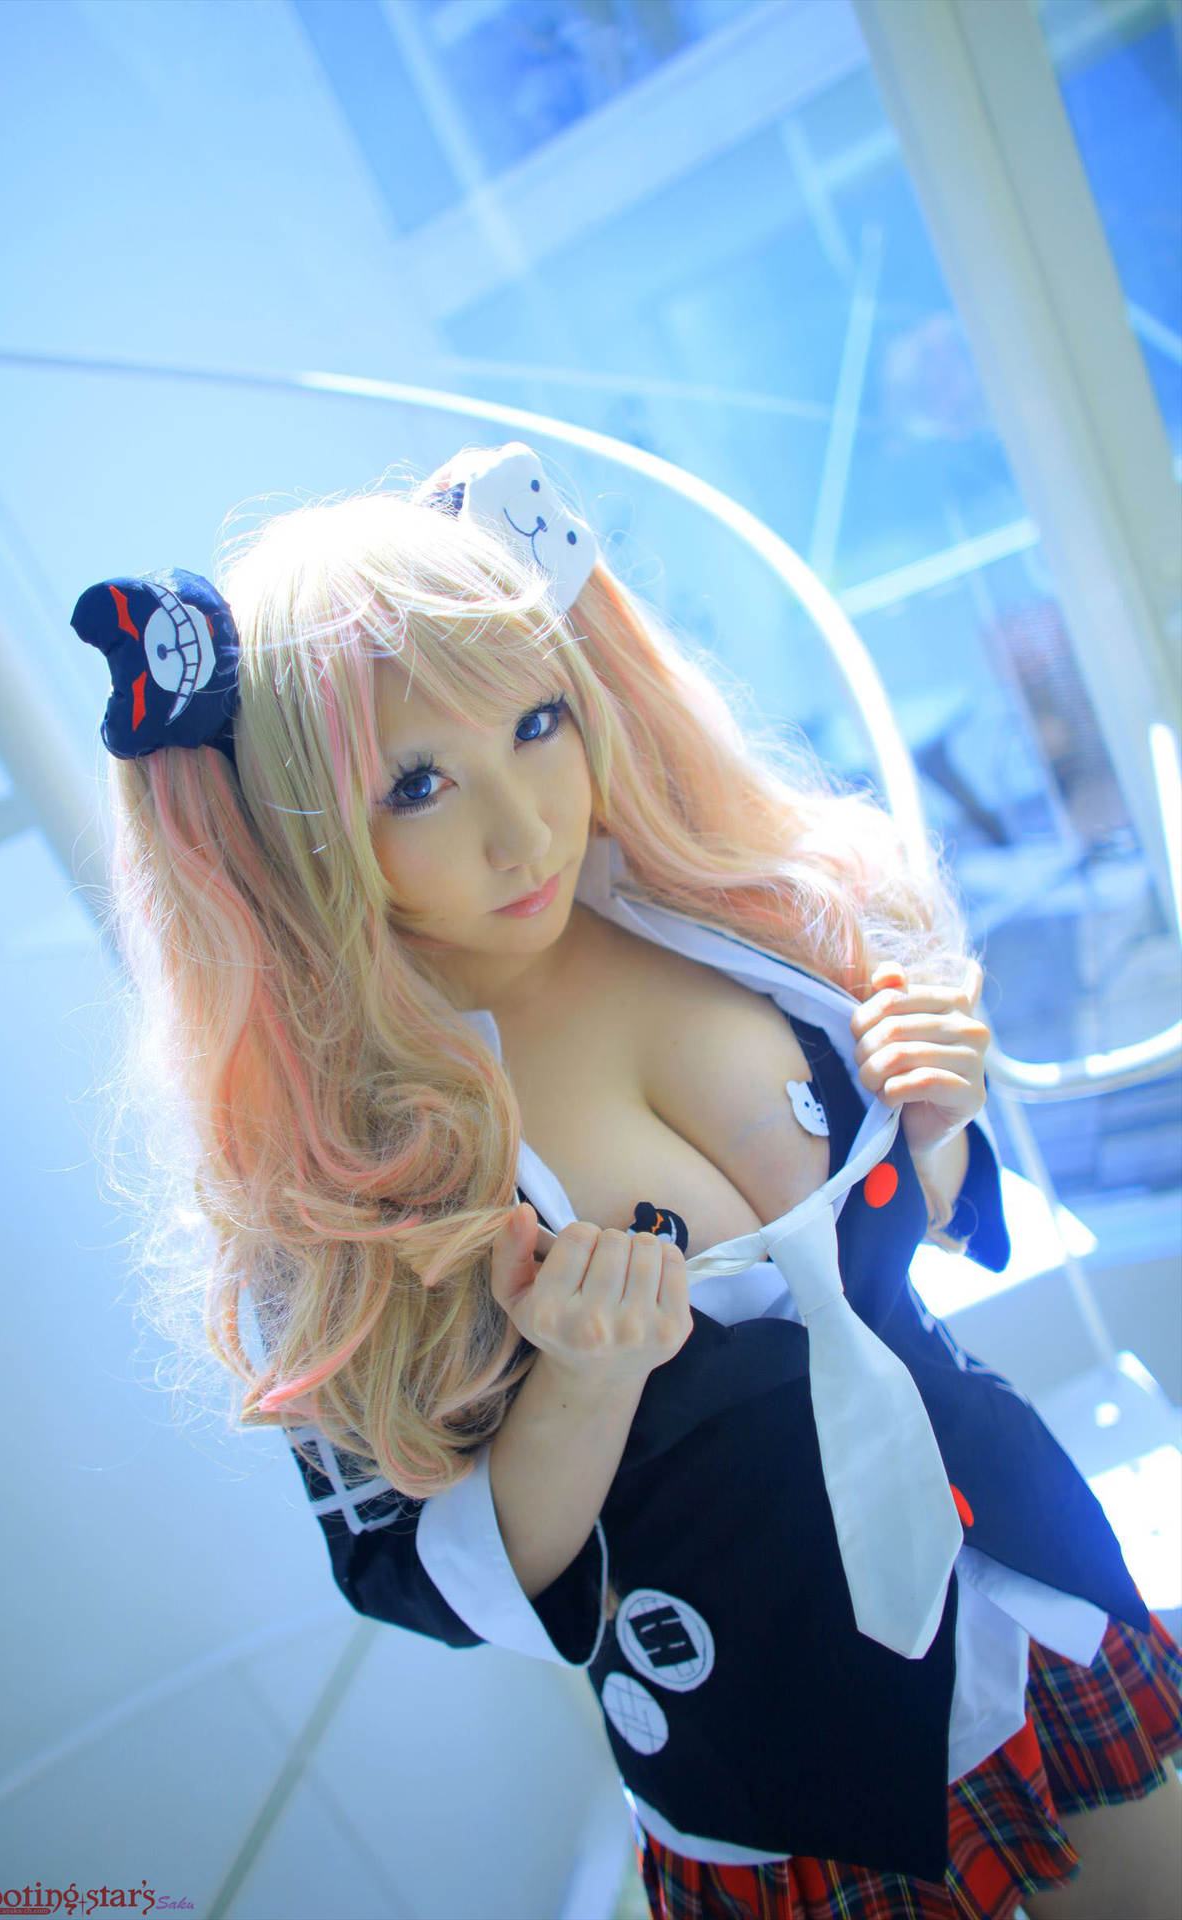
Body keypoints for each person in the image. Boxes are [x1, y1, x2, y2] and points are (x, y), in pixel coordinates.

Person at [74, 442, 1181, 1920]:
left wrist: (934, 1129)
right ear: (300, 836)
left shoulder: (727, 907)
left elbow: (881, 1275)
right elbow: (426, 1576)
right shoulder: (355, 1174)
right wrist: (583, 1384)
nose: (523, 824)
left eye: (536, 720)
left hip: (1034, 1577)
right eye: (417, 783)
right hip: (779, 1747)